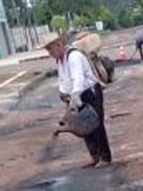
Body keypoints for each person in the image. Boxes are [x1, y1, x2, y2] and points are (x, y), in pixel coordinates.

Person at [41, 32, 112, 168]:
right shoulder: (60, 60)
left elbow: (78, 78)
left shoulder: (74, 56)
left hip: (89, 92)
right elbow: (63, 78)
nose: (49, 53)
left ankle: (105, 157)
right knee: (83, 126)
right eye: (47, 49)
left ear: (59, 44)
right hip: (75, 95)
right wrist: (63, 92)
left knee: (96, 124)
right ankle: (94, 156)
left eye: (50, 49)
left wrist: (75, 95)